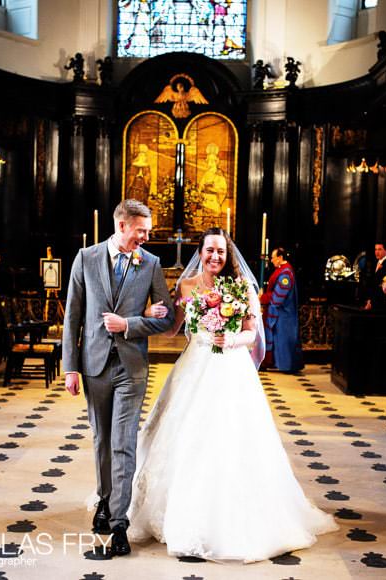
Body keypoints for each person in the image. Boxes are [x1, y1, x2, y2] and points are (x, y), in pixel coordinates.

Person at [128, 228, 337, 562]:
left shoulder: (240, 286)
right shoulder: (186, 286)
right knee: (184, 437)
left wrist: (231, 340)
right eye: (210, 250)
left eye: (221, 252)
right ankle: (177, 511)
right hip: (193, 367)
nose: (215, 257)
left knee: (230, 439)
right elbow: (172, 329)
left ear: (228, 256)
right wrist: (149, 316)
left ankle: (232, 518)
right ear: (200, 252)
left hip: (231, 370)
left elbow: (252, 334)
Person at [62, 199, 175, 558]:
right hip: (94, 365)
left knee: (123, 443)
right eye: (141, 230)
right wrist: (70, 367)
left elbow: (167, 318)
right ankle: (104, 499)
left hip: (132, 367)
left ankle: (119, 521)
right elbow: (73, 317)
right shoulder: (86, 258)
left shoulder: (152, 263)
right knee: (101, 440)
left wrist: (131, 324)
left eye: (148, 230)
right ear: (122, 225)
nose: (146, 237)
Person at [260, 247, 303, 373]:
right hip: (279, 313)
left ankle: (288, 365)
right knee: (279, 340)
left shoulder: (285, 273)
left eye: (273, 258)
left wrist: (262, 298)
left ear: (280, 258)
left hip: (283, 314)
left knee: (283, 340)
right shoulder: (281, 270)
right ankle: (274, 362)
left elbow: (279, 297)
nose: (272, 260)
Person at [364, 241, 386, 311]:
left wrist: (372, 302)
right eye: (375, 249)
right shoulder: (375, 262)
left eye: (380, 249)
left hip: (382, 303)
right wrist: (369, 300)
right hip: (372, 301)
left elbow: (385, 285)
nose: (376, 252)